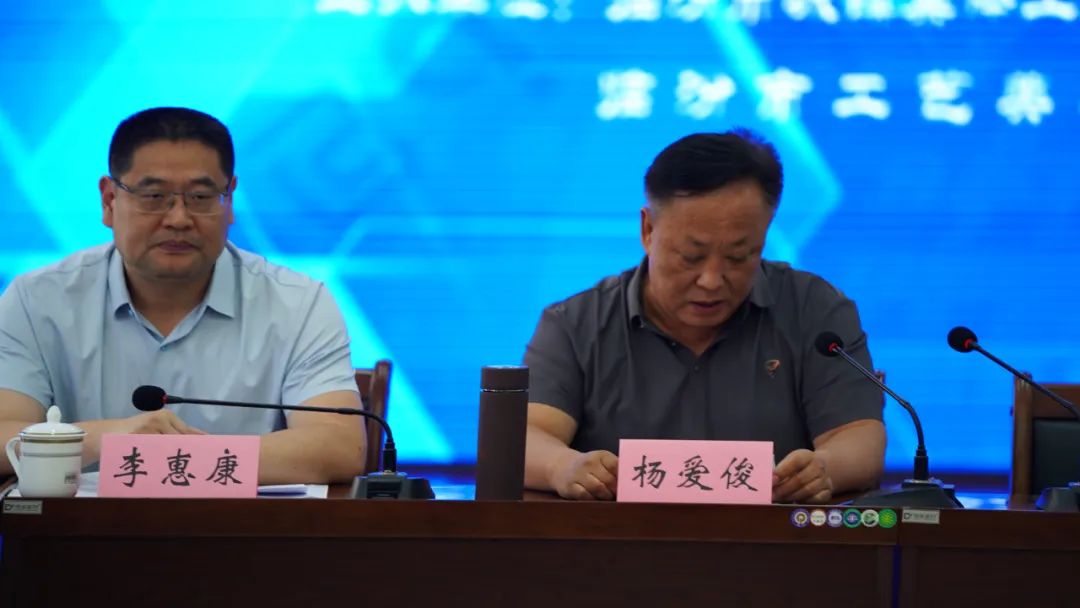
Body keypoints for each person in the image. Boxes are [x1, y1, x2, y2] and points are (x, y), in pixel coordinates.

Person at [0, 107, 365, 484]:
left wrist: (168, 459)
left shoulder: (298, 304)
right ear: (109, 201)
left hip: (246, 523)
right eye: (154, 196)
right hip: (81, 524)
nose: (178, 218)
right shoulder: (37, 301)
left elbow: (340, 445)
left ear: (229, 200)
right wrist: (108, 438)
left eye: (201, 197)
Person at [523, 129, 886, 503]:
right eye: (691, 256)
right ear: (648, 230)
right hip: (616, 539)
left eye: (738, 256)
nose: (711, 281)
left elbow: (858, 437)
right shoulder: (575, 324)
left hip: (775, 537)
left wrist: (825, 467)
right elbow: (528, 436)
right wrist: (562, 465)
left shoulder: (815, 310)